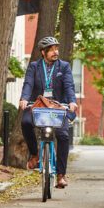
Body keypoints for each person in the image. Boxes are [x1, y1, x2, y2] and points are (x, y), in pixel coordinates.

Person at [19, 36, 78, 189]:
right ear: (43, 52)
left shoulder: (64, 66)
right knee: (25, 122)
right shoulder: (34, 66)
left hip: (59, 106)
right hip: (37, 104)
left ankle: (60, 175)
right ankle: (34, 154)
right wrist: (24, 98)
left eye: (56, 49)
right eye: (51, 50)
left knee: (63, 135)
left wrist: (71, 101)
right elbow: (28, 83)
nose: (55, 52)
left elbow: (69, 85)